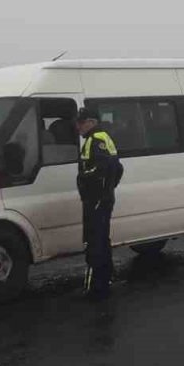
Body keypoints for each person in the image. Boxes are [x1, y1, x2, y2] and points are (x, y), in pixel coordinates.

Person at [76, 107, 122, 298]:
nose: (78, 127)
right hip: (101, 198)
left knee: (95, 241)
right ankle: (106, 278)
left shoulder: (96, 140)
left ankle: (96, 287)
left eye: (81, 122)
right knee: (102, 239)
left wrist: (92, 187)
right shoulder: (99, 138)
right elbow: (118, 168)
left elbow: (103, 169)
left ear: (91, 122)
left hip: (96, 200)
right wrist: (109, 189)